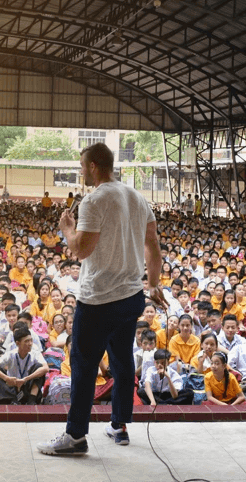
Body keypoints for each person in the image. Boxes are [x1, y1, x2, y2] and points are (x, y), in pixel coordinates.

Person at [37, 143, 164, 456]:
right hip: (131, 296)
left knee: (83, 365)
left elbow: (81, 249)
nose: (81, 171)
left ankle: (75, 436)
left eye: (82, 166)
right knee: (122, 361)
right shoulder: (137, 197)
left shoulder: (94, 200)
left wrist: (67, 229)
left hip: (98, 301)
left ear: (93, 166)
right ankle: (119, 424)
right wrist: (154, 284)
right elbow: (153, 245)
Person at [0, 327, 49, 405]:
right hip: (12, 386)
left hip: (27, 387)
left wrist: (26, 379)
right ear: (17, 343)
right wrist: (6, 378)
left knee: (39, 367)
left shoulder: (35, 353)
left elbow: (46, 368)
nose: (30, 343)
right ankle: (8, 399)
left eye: (31, 340)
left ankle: (31, 400)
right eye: (26, 341)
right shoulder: (11, 354)